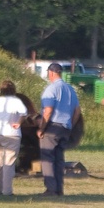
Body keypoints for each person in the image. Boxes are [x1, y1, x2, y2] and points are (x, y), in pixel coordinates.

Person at [37, 62, 81, 196]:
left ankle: (51, 189)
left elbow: (48, 111)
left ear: (50, 73)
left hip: (52, 127)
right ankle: (59, 189)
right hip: (65, 128)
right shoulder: (70, 89)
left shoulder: (51, 89)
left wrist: (41, 128)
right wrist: (70, 125)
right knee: (59, 159)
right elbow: (77, 111)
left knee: (47, 158)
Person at [0, 80, 28, 195]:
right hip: (11, 132)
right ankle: (7, 190)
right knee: (9, 163)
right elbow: (24, 113)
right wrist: (18, 122)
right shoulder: (16, 101)